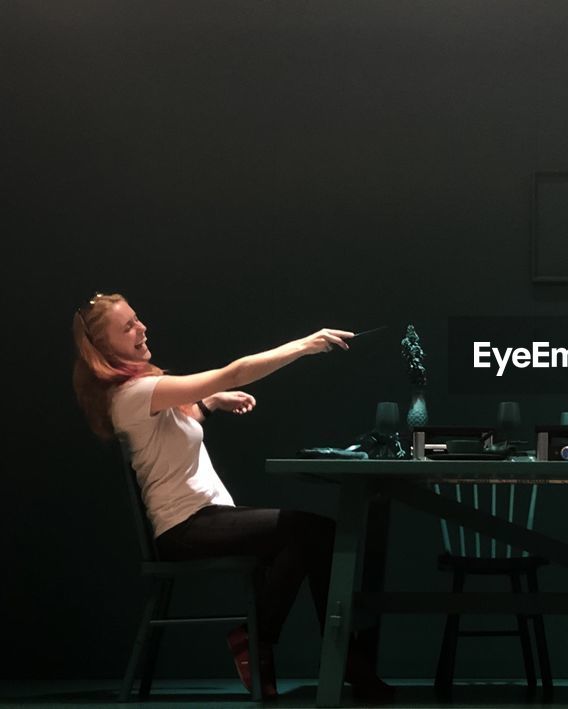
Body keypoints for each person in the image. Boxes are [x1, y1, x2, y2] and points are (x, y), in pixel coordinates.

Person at [71, 293, 393, 702]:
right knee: (316, 532)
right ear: (103, 348)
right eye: (128, 326)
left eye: (138, 319)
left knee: (305, 539)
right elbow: (234, 371)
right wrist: (304, 345)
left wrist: (211, 403)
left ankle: (265, 644)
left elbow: (177, 424)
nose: (142, 328)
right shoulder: (137, 393)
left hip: (206, 518)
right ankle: (324, 656)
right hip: (186, 528)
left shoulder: (141, 393)